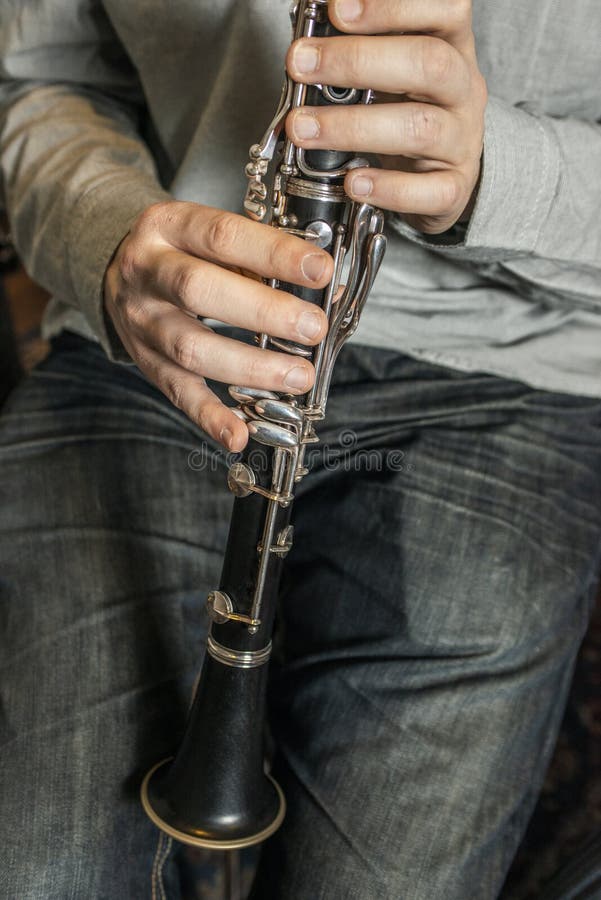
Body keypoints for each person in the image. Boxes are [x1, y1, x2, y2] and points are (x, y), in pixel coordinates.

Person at [1, 1, 601, 897]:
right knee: (44, 873)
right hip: (166, 332)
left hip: (513, 368)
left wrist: (493, 169)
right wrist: (109, 231)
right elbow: (39, 79)